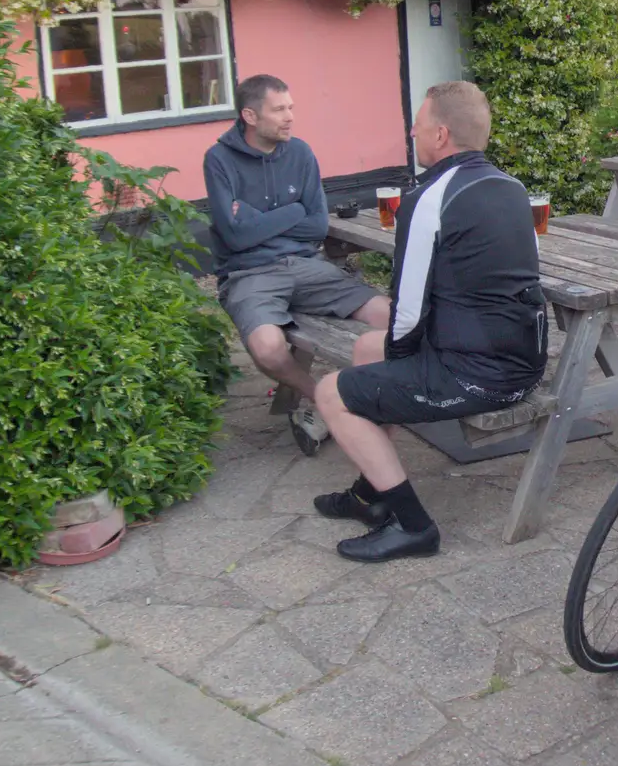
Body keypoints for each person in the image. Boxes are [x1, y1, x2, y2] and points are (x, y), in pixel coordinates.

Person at [313, 81, 548, 563]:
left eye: (417, 126)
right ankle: (369, 495)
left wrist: (405, 366)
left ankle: (415, 527)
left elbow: (408, 309)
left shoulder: (427, 199)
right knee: (364, 352)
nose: (412, 132)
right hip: (522, 362)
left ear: (440, 135)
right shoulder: (512, 188)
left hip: (478, 376)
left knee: (331, 391)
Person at [204, 74, 381, 455]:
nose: (290, 117)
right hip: (248, 273)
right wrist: (294, 210)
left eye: (291, 107)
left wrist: (254, 217)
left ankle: (385, 393)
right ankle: (325, 400)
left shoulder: (300, 153)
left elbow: (316, 225)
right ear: (250, 115)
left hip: (305, 265)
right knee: (267, 347)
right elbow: (233, 238)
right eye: (279, 109)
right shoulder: (218, 159)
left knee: (388, 312)